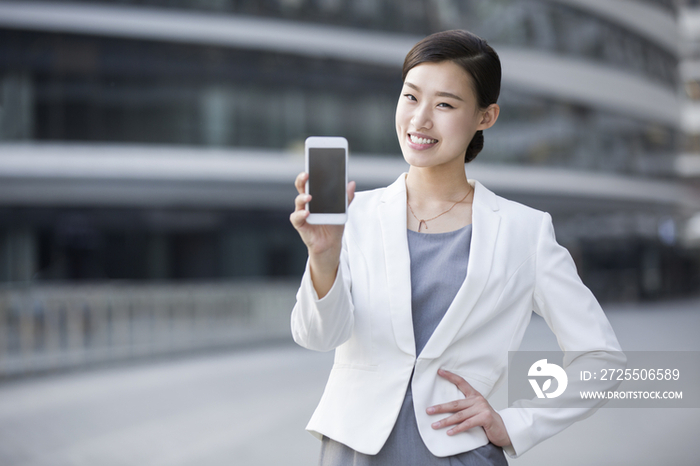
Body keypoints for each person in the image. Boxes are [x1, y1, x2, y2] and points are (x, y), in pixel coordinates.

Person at [289, 29, 624, 465]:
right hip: (353, 451)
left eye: (445, 104)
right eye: (411, 97)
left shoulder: (525, 231)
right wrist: (323, 256)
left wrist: (517, 422)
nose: (420, 119)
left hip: (459, 452)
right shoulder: (354, 216)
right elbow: (318, 337)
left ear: (486, 117)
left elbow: (602, 358)